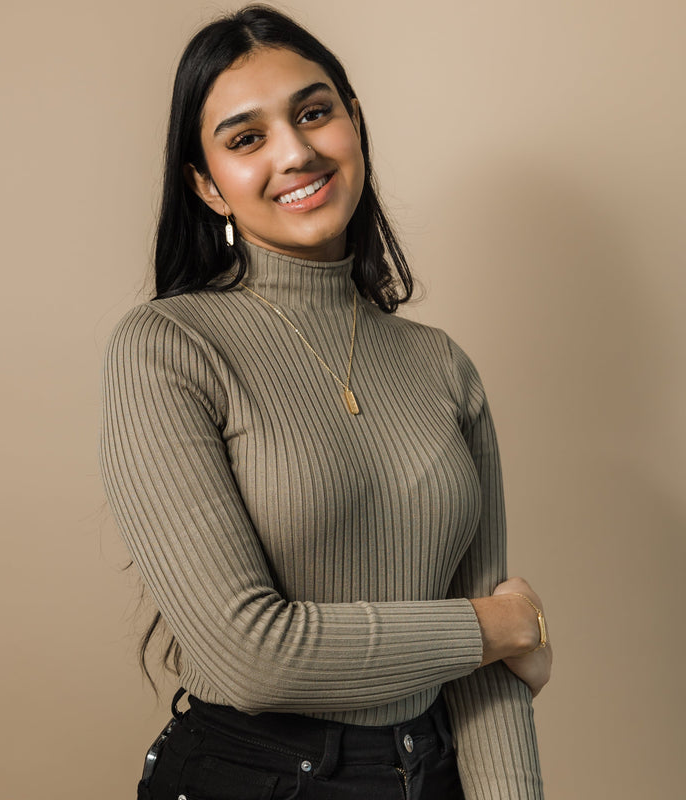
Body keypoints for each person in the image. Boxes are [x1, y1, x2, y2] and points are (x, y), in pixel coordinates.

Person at [100, 5, 552, 799]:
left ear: (355, 125)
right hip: (255, 777)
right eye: (246, 138)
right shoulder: (168, 348)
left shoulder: (443, 366)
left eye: (315, 113)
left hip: (433, 770)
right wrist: (503, 625)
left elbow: (488, 681)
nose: (297, 151)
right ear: (207, 186)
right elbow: (251, 653)